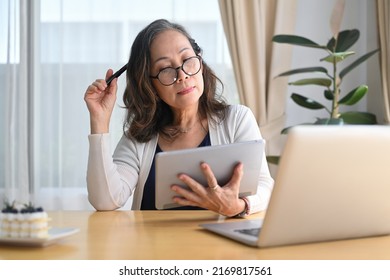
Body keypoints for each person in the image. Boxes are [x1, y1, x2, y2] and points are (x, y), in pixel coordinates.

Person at [84, 19, 274, 217]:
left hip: (221, 247)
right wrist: (99, 120)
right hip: (149, 248)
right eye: (165, 69)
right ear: (150, 85)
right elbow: (106, 200)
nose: (183, 75)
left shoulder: (237, 120)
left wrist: (238, 205)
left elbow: (265, 185)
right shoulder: (139, 138)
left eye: (187, 59)